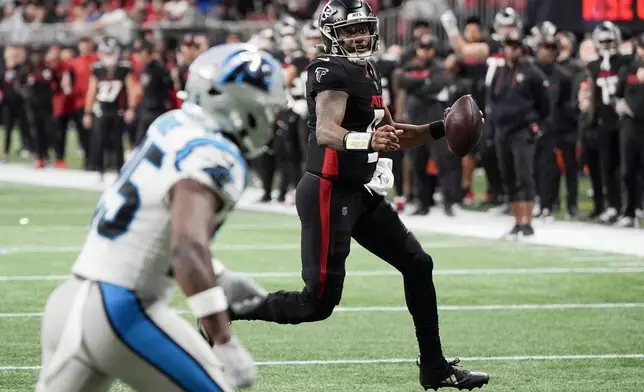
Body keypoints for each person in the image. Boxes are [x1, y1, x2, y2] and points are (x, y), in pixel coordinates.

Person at [231, 1, 489, 390]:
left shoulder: (367, 70)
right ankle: (231, 308)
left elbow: (393, 132)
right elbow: (327, 131)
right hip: (328, 192)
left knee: (418, 264)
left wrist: (440, 127)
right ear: (332, 35)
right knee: (316, 305)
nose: (359, 36)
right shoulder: (328, 70)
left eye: (364, 28)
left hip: (360, 192)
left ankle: (434, 367)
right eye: (350, 31)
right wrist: (368, 139)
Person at [36, 43, 285, 392]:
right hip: (120, 311)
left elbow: (148, 222)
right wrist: (224, 339)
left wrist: (219, 275)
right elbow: (186, 249)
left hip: (69, 299)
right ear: (243, 104)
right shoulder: (214, 153)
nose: (272, 119)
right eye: (268, 109)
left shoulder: (171, 124)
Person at [489, 29, 551, 237]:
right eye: (508, 46)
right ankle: (517, 221)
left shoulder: (532, 72)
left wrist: (536, 123)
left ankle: (528, 222)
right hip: (502, 131)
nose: (511, 50)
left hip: (522, 131)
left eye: (515, 46)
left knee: (524, 175)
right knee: (509, 176)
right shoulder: (499, 72)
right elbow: (492, 100)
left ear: (521, 49)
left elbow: (545, 103)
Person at [586, 21, 632, 223]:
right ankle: (613, 205)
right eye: (602, 41)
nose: (606, 44)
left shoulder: (626, 61)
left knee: (627, 166)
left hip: (623, 121)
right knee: (607, 166)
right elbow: (594, 95)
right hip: (603, 121)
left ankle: (631, 206)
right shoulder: (594, 65)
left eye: (609, 41)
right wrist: (592, 119)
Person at [83, 37, 137, 180]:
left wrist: (131, 108)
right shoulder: (97, 69)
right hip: (101, 109)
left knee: (118, 142)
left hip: (118, 110)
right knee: (99, 141)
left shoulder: (124, 68)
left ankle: (120, 171)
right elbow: (92, 91)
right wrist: (87, 113)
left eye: (110, 53)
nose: (108, 56)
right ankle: (99, 170)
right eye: (105, 53)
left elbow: (131, 89)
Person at [614, 33, 644, 228]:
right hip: (630, 125)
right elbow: (617, 95)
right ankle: (629, 211)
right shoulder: (628, 69)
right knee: (628, 169)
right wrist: (620, 105)